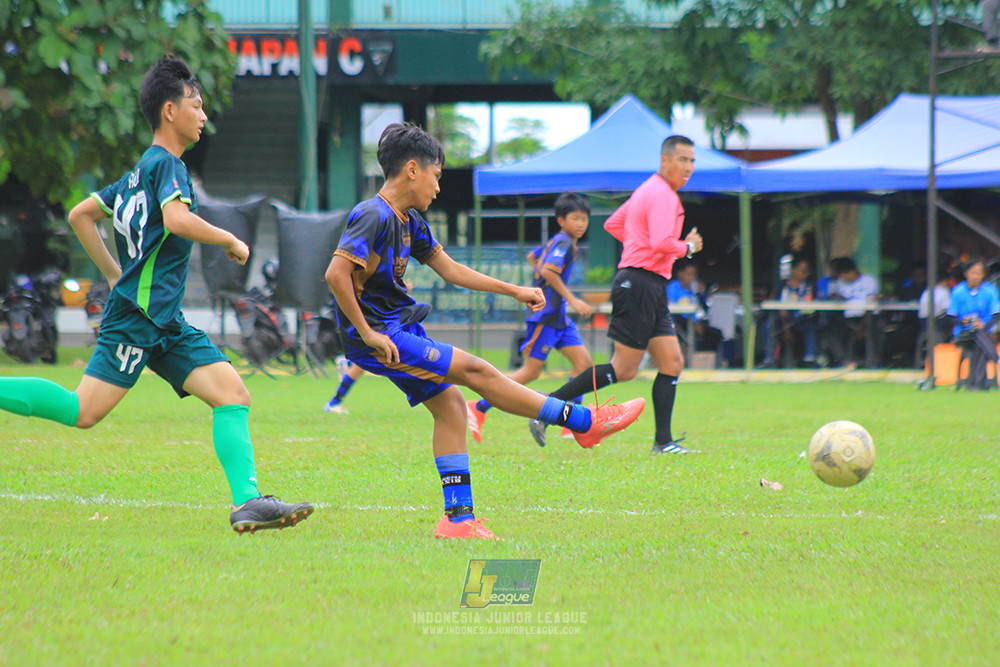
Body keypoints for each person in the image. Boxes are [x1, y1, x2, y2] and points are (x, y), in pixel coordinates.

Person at [0, 55, 313, 533]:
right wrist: (229, 239)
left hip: (162, 319)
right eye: (197, 104)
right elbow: (176, 220)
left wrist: (112, 274)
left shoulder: (136, 173)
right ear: (170, 111)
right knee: (82, 411)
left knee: (232, 393)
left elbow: (81, 215)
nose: (204, 115)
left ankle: (249, 501)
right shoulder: (167, 166)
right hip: (139, 317)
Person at [324, 123, 644, 540]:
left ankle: (457, 521)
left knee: (452, 406)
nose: (439, 187)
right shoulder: (373, 214)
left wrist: (513, 290)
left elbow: (451, 269)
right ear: (412, 170)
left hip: (400, 329)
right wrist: (367, 334)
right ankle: (583, 420)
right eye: (437, 176)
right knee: (477, 371)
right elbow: (336, 273)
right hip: (383, 335)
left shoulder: (409, 220)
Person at [526, 135, 703, 454]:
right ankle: (546, 410)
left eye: (692, 161)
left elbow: (613, 224)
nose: (688, 167)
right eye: (682, 160)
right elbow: (663, 243)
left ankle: (663, 443)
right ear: (665, 160)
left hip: (649, 284)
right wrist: (688, 247)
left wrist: (639, 242)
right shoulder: (663, 195)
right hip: (639, 283)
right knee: (623, 369)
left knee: (672, 361)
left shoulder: (646, 190)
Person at [466, 192, 594, 443]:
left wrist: (540, 279)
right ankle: (478, 407)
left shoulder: (559, 241)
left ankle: (571, 424)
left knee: (584, 362)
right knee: (530, 372)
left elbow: (534, 257)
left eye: (585, 219)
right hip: (545, 316)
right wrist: (572, 298)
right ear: (561, 220)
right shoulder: (565, 243)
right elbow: (548, 270)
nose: (581, 224)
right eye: (575, 218)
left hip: (558, 318)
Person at [946, 258, 1000, 390]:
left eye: (979, 273)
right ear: (966, 273)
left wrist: (984, 325)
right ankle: (995, 358)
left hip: (985, 331)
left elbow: (996, 314)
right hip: (964, 332)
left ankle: (974, 384)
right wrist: (962, 321)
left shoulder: (990, 290)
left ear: (983, 275)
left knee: (978, 336)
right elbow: (950, 317)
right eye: (973, 273)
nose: (976, 276)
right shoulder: (958, 291)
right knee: (977, 335)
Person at [823, 257, 880, 367]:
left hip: (867, 317)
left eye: (843, 275)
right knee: (830, 333)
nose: (842, 278)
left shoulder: (869, 281)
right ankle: (844, 361)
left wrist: (861, 326)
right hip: (848, 318)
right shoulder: (840, 283)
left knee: (874, 330)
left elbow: (870, 306)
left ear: (851, 272)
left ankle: (874, 361)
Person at [765, 256, 819, 368]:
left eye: (807, 271)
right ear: (794, 270)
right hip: (783, 319)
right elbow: (779, 305)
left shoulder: (809, 285)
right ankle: (768, 359)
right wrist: (786, 326)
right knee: (769, 325)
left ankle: (810, 358)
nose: (805, 274)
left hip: (801, 319)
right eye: (803, 271)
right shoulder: (783, 285)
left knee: (810, 326)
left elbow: (812, 304)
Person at [667, 261, 722, 358]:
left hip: (695, 320)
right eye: (689, 274)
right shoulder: (673, 288)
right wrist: (694, 323)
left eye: (694, 275)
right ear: (680, 274)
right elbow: (674, 308)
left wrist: (701, 293)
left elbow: (704, 308)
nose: (691, 278)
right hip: (678, 321)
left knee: (715, 333)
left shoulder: (694, 289)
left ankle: (702, 357)